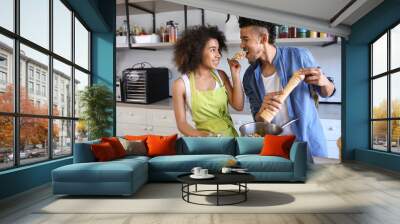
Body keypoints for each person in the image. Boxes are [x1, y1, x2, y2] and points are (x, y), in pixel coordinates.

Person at [238, 17, 336, 158]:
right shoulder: (249, 77)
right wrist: (261, 111)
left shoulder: (299, 56)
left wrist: (325, 82)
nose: (242, 45)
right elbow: (258, 123)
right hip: (277, 151)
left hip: (309, 147)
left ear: (263, 39)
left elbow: (327, 92)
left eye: (245, 39)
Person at [172, 26, 244, 137]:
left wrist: (235, 75)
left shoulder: (221, 76)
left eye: (218, 50)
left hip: (230, 139)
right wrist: (202, 135)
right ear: (198, 51)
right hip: (204, 142)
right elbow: (182, 124)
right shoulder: (181, 85)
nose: (218, 55)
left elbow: (238, 106)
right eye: (212, 50)